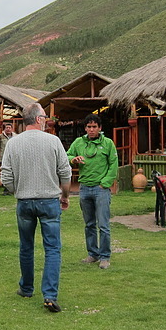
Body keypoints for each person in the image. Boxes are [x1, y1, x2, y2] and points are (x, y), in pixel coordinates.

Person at [1, 103, 71, 313]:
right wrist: (65, 195)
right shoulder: (53, 141)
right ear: (39, 119)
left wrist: (18, 191)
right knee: (52, 248)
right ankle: (49, 294)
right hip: (49, 200)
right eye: (45, 118)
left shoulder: (13, 143)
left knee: (26, 246)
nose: (47, 121)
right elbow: (65, 173)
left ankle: (26, 287)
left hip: (24, 201)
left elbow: (6, 175)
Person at [66, 113, 118, 269]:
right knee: (89, 224)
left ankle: (105, 257)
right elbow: (67, 155)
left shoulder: (108, 143)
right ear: (85, 128)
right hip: (84, 189)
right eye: (89, 127)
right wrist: (73, 160)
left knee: (103, 224)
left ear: (100, 128)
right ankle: (92, 254)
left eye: (94, 127)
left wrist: (105, 183)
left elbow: (113, 165)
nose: (91, 129)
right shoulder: (78, 142)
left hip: (101, 189)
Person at [0, 122, 15, 195]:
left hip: (14, 158)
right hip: (4, 157)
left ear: (12, 129)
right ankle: (6, 189)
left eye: (9, 128)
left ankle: (13, 189)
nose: (8, 129)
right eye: (7, 128)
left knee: (14, 173)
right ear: (4, 129)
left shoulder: (16, 136)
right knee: (5, 173)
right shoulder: (0, 136)